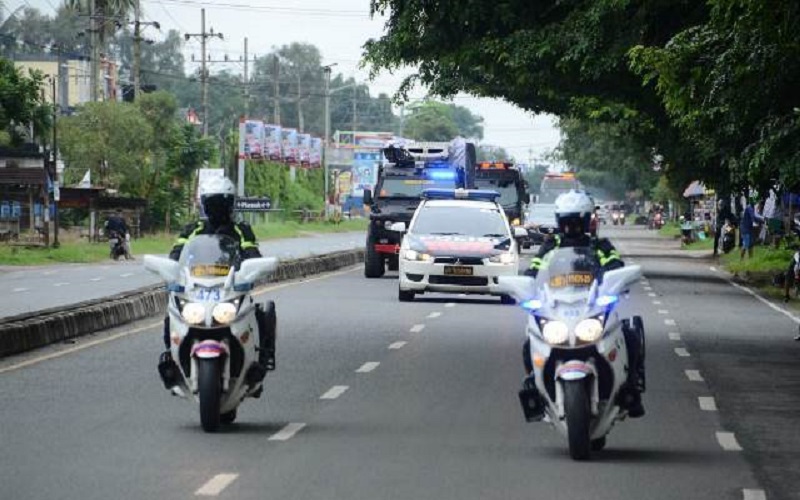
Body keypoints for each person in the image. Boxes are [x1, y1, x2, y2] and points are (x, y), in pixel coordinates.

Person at [520, 189, 646, 419]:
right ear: (560, 222)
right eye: (568, 222)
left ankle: (632, 384)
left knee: (630, 335)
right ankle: (534, 388)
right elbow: (534, 270)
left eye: (577, 221)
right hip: (558, 305)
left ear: (587, 221)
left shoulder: (600, 246)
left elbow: (615, 265)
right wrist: (525, 286)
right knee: (530, 342)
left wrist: (616, 280)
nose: (572, 227)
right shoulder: (551, 247)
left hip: (592, 304)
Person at [157, 176, 277, 388]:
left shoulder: (241, 230)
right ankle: (170, 355)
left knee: (263, 311)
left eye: (221, 203)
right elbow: (176, 256)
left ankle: (264, 356)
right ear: (205, 204)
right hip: (197, 288)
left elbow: (252, 255)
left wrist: (250, 270)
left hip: (230, 288)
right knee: (172, 310)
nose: (217, 208)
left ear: (230, 205)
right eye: (212, 203)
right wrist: (172, 272)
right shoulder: (192, 230)